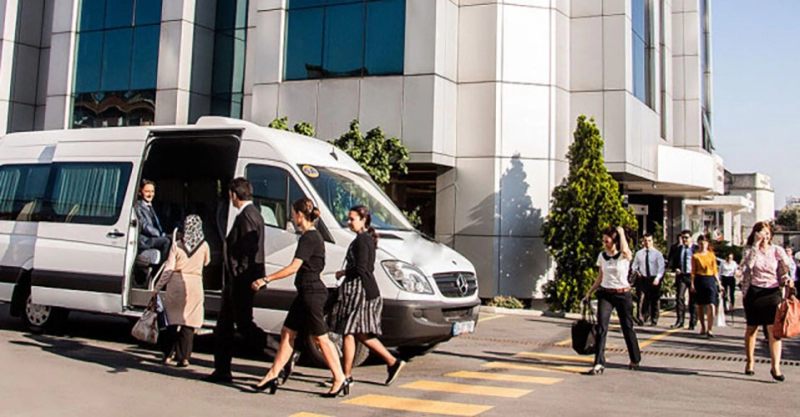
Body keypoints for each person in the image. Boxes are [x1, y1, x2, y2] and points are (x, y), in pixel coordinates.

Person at [251, 198, 349, 397]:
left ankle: (340, 378)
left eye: (293, 213)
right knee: (288, 333)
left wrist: (266, 278)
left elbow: (294, 267)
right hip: (305, 292)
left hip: (312, 294)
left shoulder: (309, 238)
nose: (291, 217)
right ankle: (272, 374)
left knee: (321, 338)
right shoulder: (311, 237)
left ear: (300, 215)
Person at [328, 206, 406, 386]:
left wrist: (343, 273)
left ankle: (345, 376)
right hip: (364, 289)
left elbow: (362, 268)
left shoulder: (363, 240)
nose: (349, 222)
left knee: (349, 332)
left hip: (360, 291)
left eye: (352, 219)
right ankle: (392, 362)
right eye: (348, 218)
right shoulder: (364, 239)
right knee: (361, 334)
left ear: (363, 220)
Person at [204, 178, 268, 383]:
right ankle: (222, 370)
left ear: (233, 195)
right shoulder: (252, 214)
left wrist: (237, 274)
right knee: (224, 327)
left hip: (240, 280)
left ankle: (281, 352)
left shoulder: (247, 217)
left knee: (243, 325)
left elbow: (248, 251)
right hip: (237, 279)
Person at [152, 215, 210, 367]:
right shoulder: (204, 246)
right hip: (194, 284)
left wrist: (156, 287)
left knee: (172, 321)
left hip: (176, 284)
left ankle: (167, 354)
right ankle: (184, 357)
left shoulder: (176, 245)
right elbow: (207, 262)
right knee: (189, 323)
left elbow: (169, 268)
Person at [741, 221, 794, 381]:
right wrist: (756, 246)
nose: (765, 236)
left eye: (767, 232)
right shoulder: (749, 250)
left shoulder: (777, 251)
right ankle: (750, 361)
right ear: (755, 234)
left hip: (772, 291)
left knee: (774, 330)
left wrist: (786, 277)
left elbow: (786, 268)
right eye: (761, 232)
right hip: (754, 291)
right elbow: (748, 267)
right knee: (752, 328)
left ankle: (775, 367)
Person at [583, 226, 641, 375]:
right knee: (601, 328)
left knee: (627, 327)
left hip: (623, 294)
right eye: (603, 241)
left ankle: (635, 358)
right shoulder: (602, 256)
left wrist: (621, 233)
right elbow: (600, 277)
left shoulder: (624, 255)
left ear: (614, 241)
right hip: (606, 294)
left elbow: (627, 251)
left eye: (607, 241)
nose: (604, 243)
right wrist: (590, 292)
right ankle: (599, 362)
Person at [631, 233, 665, 326]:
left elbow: (661, 267)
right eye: (645, 241)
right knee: (641, 298)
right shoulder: (639, 253)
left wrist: (658, 278)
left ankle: (654, 318)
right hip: (643, 278)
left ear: (652, 241)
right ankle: (641, 318)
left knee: (654, 299)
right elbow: (634, 265)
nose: (647, 243)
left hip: (654, 278)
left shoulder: (657, 254)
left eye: (649, 240)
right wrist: (636, 271)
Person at [690, 234, 719, 338]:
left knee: (711, 304)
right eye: (701, 243)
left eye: (705, 243)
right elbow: (693, 271)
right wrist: (692, 284)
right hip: (700, 279)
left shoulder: (711, 255)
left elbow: (715, 270)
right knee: (700, 305)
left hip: (710, 279)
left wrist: (719, 283)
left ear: (708, 244)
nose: (703, 245)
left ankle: (710, 328)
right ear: (698, 244)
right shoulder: (695, 256)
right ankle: (702, 326)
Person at [668, 230, 698, 329]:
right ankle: (680, 320)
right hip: (681, 276)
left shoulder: (695, 249)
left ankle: (693, 322)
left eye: (686, 238)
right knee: (680, 298)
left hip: (692, 276)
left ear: (691, 238)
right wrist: (675, 268)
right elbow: (672, 261)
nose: (684, 240)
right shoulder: (678, 249)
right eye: (683, 238)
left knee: (693, 300)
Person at [136, 179, 171, 262]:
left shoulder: (154, 206)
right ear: (141, 192)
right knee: (166, 241)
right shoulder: (138, 206)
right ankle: (162, 269)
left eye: (152, 191)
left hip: (155, 237)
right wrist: (163, 235)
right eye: (147, 191)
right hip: (145, 240)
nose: (150, 194)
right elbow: (144, 225)